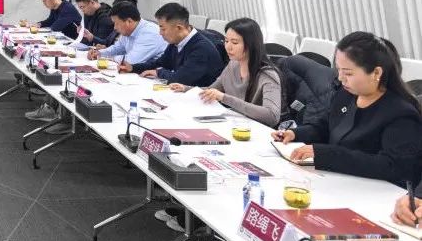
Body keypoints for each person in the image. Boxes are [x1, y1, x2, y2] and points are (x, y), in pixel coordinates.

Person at [271, 32, 422, 184]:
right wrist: (295, 134)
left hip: (375, 190)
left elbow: (391, 166)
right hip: (338, 180)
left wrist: (326, 154)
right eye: (339, 70)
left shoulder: (401, 114)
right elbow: (325, 127)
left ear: (376, 73)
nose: (340, 78)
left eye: (348, 73)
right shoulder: (346, 95)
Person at [170, 18, 282, 127]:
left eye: (235, 42)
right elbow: (212, 90)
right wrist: (186, 88)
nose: (228, 47)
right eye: (226, 41)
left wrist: (224, 98)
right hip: (237, 125)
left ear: (251, 45)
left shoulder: (268, 75)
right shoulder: (233, 65)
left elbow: (272, 116)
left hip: (258, 130)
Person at [131, 2, 224, 86]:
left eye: (163, 29)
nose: (160, 33)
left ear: (179, 28)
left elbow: (181, 79)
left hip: (201, 95)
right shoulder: (177, 41)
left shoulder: (201, 48)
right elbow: (161, 62)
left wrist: (158, 72)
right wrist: (133, 68)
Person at [86, 0, 167, 66]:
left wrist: (105, 58)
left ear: (129, 21)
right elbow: (117, 48)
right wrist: (99, 53)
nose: (115, 27)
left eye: (117, 23)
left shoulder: (149, 33)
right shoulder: (128, 31)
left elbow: (131, 61)